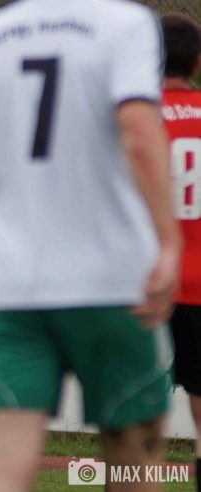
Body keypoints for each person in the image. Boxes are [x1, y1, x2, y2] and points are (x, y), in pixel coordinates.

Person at [0, 2, 179, 491]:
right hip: (110, 283)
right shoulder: (125, 23)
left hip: (13, 289)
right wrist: (169, 240)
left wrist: (17, 156)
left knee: (5, 469)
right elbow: (138, 129)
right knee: (132, 465)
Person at [161, 13, 201, 492]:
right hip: (199, 283)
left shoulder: (133, 118)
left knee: (135, 400)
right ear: (196, 62)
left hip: (145, 282)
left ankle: (130, 478)